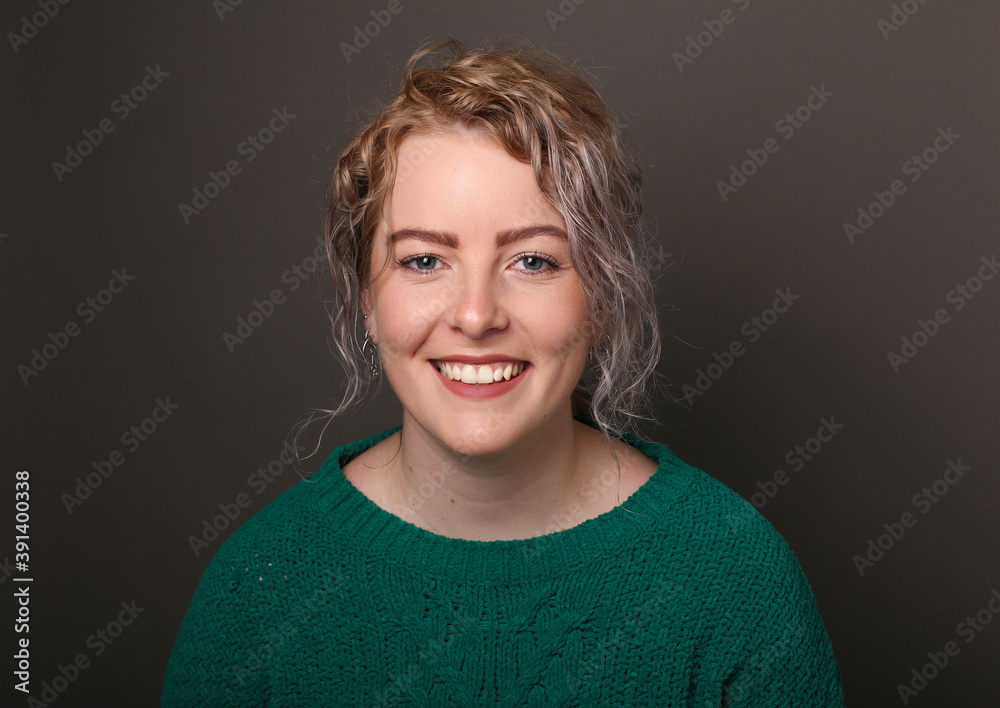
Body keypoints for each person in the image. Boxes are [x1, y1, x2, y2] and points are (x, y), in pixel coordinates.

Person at [162, 39, 845, 706]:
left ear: (601, 298)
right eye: (424, 261)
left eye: (534, 261)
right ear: (368, 302)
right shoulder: (261, 588)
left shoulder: (734, 576)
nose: (476, 313)